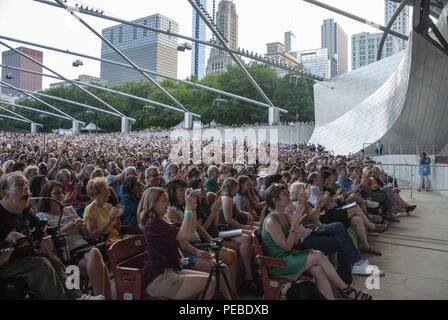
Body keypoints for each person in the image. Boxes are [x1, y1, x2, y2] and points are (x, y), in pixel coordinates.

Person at [0, 172, 102, 300]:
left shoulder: (24, 210)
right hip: (6, 264)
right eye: (19, 185)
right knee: (41, 264)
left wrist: (44, 237)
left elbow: (40, 224)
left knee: (54, 260)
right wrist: (8, 246)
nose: (26, 188)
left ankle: (78, 297)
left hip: (23, 257)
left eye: (27, 184)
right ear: (4, 193)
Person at [261, 183, 372, 300]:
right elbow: (288, 247)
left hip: (290, 255)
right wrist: (294, 225)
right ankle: (346, 289)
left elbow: (295, 243)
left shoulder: (284, 215)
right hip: (279, 263)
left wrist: (296, 224)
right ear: (275, 200)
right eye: (284, 194)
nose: (288, 195)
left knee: (318, 269)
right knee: (319, 255)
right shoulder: (271, 222)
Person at [36, 181, 112, 299]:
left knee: (95, 255)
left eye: (62, 192)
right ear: (47, 195)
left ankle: (98, 297)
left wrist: (82, 226)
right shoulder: (42, 216)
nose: (60, 195)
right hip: (65, 253)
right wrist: (69, 227)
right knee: (101, 266)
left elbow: (86, 233)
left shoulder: (69, 209)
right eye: (56, 192)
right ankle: (101, 297)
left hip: (82, 246)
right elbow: (49, 238)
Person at [138, 187, 216, 299]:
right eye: (164, 201)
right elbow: (184, 234)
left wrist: (192, 207)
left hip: (169, 271)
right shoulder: (152, 224)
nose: (168, 204)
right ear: (152, 204)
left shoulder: (163, 220)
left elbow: (191, 228)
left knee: (211, 279)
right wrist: (188, 207)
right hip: (159, 278)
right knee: (209, 282)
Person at [83, 177, 123, 247]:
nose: (108, 192)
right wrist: (109, 220)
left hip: (113, 238)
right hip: (100, 242)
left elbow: (118, 228)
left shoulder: (109, 206)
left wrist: (118, 218)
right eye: (105, 190)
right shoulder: (90, 209)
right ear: (96, 193)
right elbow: (92, 234)